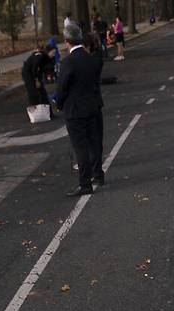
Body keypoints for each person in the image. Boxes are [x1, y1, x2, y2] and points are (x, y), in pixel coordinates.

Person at [56, 25, 105, 197]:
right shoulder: (91, 59)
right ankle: (98, 174)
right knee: (94, 143)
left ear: (67, 41)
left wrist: (59, 103)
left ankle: (85, 184)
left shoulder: (68, 62)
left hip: (75, 110)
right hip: (92, 107)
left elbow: (62, 87)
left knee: (80, 148)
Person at [21, 44, 56, 115]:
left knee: (42, 91)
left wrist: (47, 76)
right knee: (32, 92)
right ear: (48, 52)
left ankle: (48, 113)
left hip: (37, 73)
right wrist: (36, 80)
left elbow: (46, 68)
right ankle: (34, 114)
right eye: (53, 53)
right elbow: (35, 68)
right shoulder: (39, 56)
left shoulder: (48, 58)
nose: (54, 54)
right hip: (28, 73)